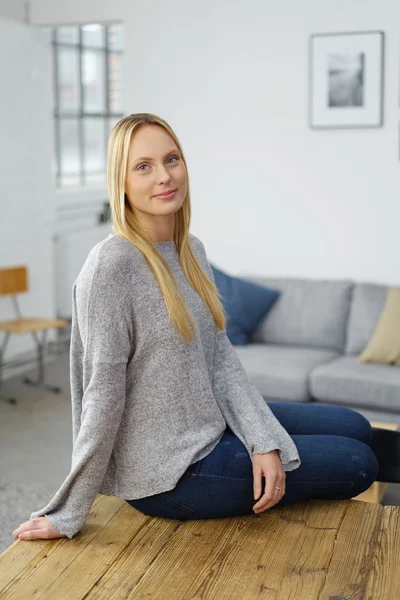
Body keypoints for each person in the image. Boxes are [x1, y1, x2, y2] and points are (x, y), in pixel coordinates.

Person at [13, 113, 379, 542]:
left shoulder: (189, 250)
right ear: (121, 183)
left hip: (211, 424)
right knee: (359, 462)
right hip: (170, 475)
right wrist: (71, 508)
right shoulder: (112, 266)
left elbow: (220, 358)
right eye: (143, 167)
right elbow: (102, 393)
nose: (165, 176)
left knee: (356, 424)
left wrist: (262, 440)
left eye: (172, 159)